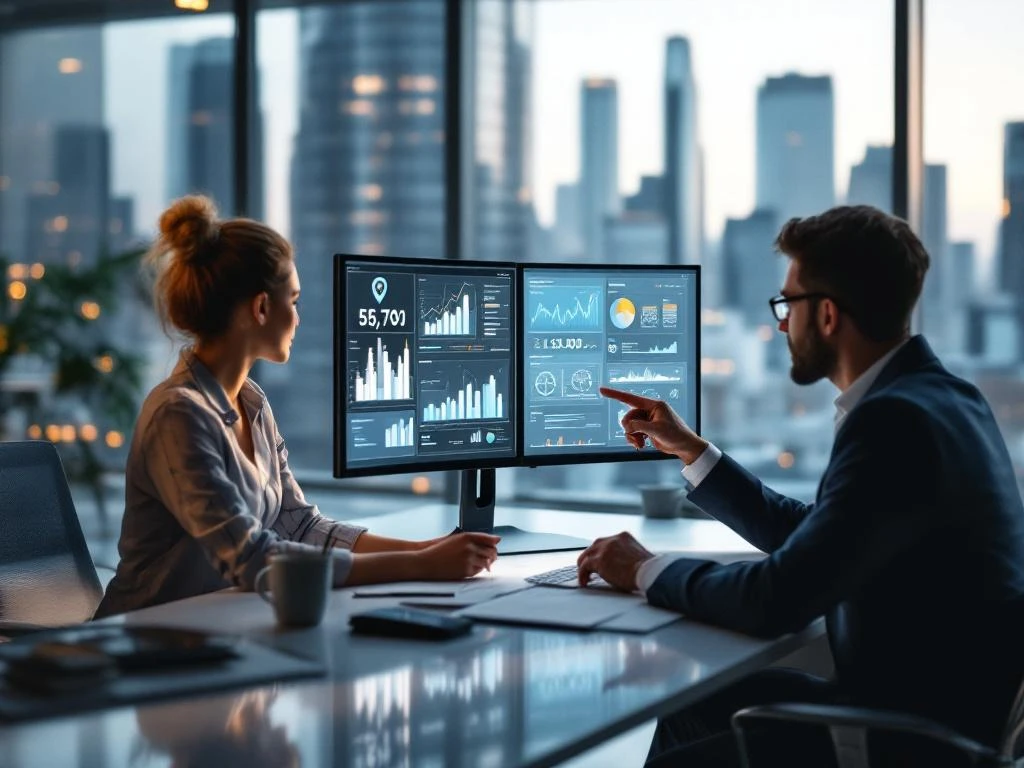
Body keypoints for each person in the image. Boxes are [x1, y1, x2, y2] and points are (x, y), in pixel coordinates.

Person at [580, 205, 1024, 765]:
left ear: (829, 315)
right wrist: (693, 450)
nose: (781, 322)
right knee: (689, 704)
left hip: (907, 741)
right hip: (928, 711)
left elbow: (775, 600)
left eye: (789, 304)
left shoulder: (893, 422)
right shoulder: (944, 398)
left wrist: (644, 570)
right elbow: (822, 535)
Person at [95, 195, 499, 618]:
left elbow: (301, 526)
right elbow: (253, 560)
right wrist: (418, 566)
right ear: (262, 308)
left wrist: (428, 550)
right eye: (294, 300)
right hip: (142, 642)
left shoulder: (251, 402)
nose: (299, 316)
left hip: (217, 630)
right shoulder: (178, 415)